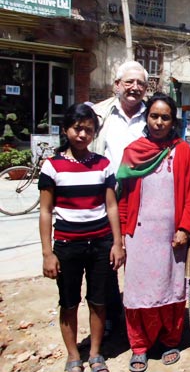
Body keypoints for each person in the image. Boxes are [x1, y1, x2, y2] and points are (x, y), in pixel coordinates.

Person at [38, 103, 125, 372]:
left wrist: (117, 243)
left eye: (88, 130)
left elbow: (111, 206)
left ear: (94, 134)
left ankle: (96, 353)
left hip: (100, 244)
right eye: (77, 128)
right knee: (69, 301)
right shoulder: (52, 167)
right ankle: (74, 355)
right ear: (66, 130)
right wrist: (47, 253)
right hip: (67, 245)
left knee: (98, 301)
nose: (82, 135)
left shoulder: (103, 165)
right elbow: (45, 211)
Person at [117, 93, 190, 372]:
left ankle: (170, 340)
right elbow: (123, 197)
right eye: (154, 116)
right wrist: (122, 238)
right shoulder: (133, 152)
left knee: (171, 290)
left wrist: (185, 228)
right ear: (146, 117)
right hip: (138, 236)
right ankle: (139, 346)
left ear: (173, 120)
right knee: (138, 293)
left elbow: (189, 195)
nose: (159, 122)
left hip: (170, 236)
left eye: (165, 117)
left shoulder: (183, 151)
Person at [90, 60, 149, 336]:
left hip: (142, 198)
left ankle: (140, 316)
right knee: (107, 259)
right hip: (104, 196)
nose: (134, 88)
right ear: (117, 85)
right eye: (129, 82)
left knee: (138, 259)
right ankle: (112, 314)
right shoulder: (98, 114)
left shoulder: (153, 117)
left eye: (140, 84)